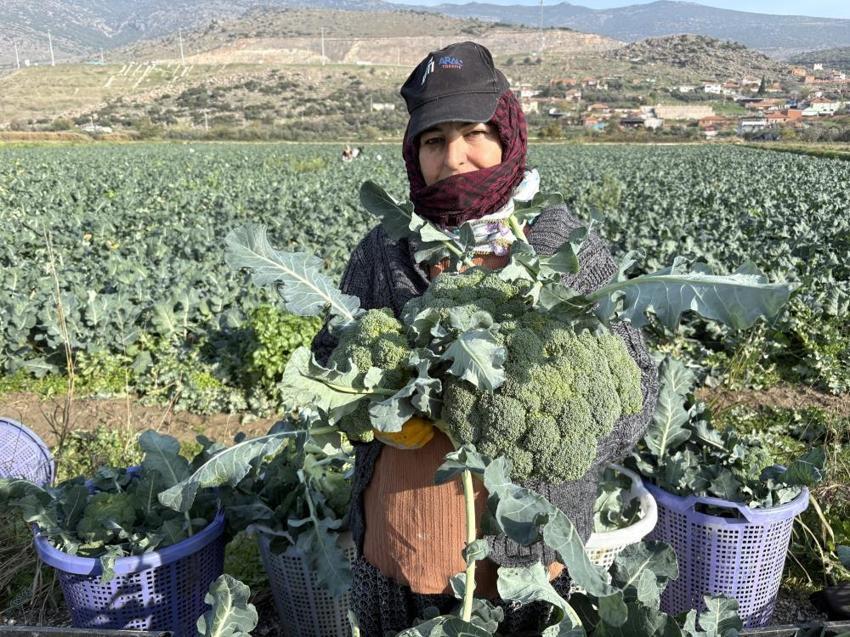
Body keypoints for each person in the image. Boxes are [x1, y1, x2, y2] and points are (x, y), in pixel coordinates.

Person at [311, 41, 658, 635]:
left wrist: (553, 434)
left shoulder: (565, 247)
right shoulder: (384, 250)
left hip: (530, 557)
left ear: (507, 134)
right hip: (403, 542)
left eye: (473, 133)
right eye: (433, 140)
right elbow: (328, 362)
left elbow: (639, 388)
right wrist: (378, 405)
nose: (454, 158)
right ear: (413, 152)